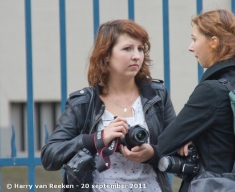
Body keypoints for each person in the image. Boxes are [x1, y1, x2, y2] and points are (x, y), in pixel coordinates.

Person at [41, 19, 176, 192]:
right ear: (106, 55)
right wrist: (97, 139)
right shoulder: (83, 103)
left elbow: (179, 150)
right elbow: (50, 156)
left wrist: (152, 154)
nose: (136, 55)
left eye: (140, 49)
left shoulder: (157, 96)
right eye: (127, 48)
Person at [158, 9, 235, 191]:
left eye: (195, 39)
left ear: (213, 42)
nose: (191, 47)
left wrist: (189, 137)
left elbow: (165, 144)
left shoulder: (210, 90)